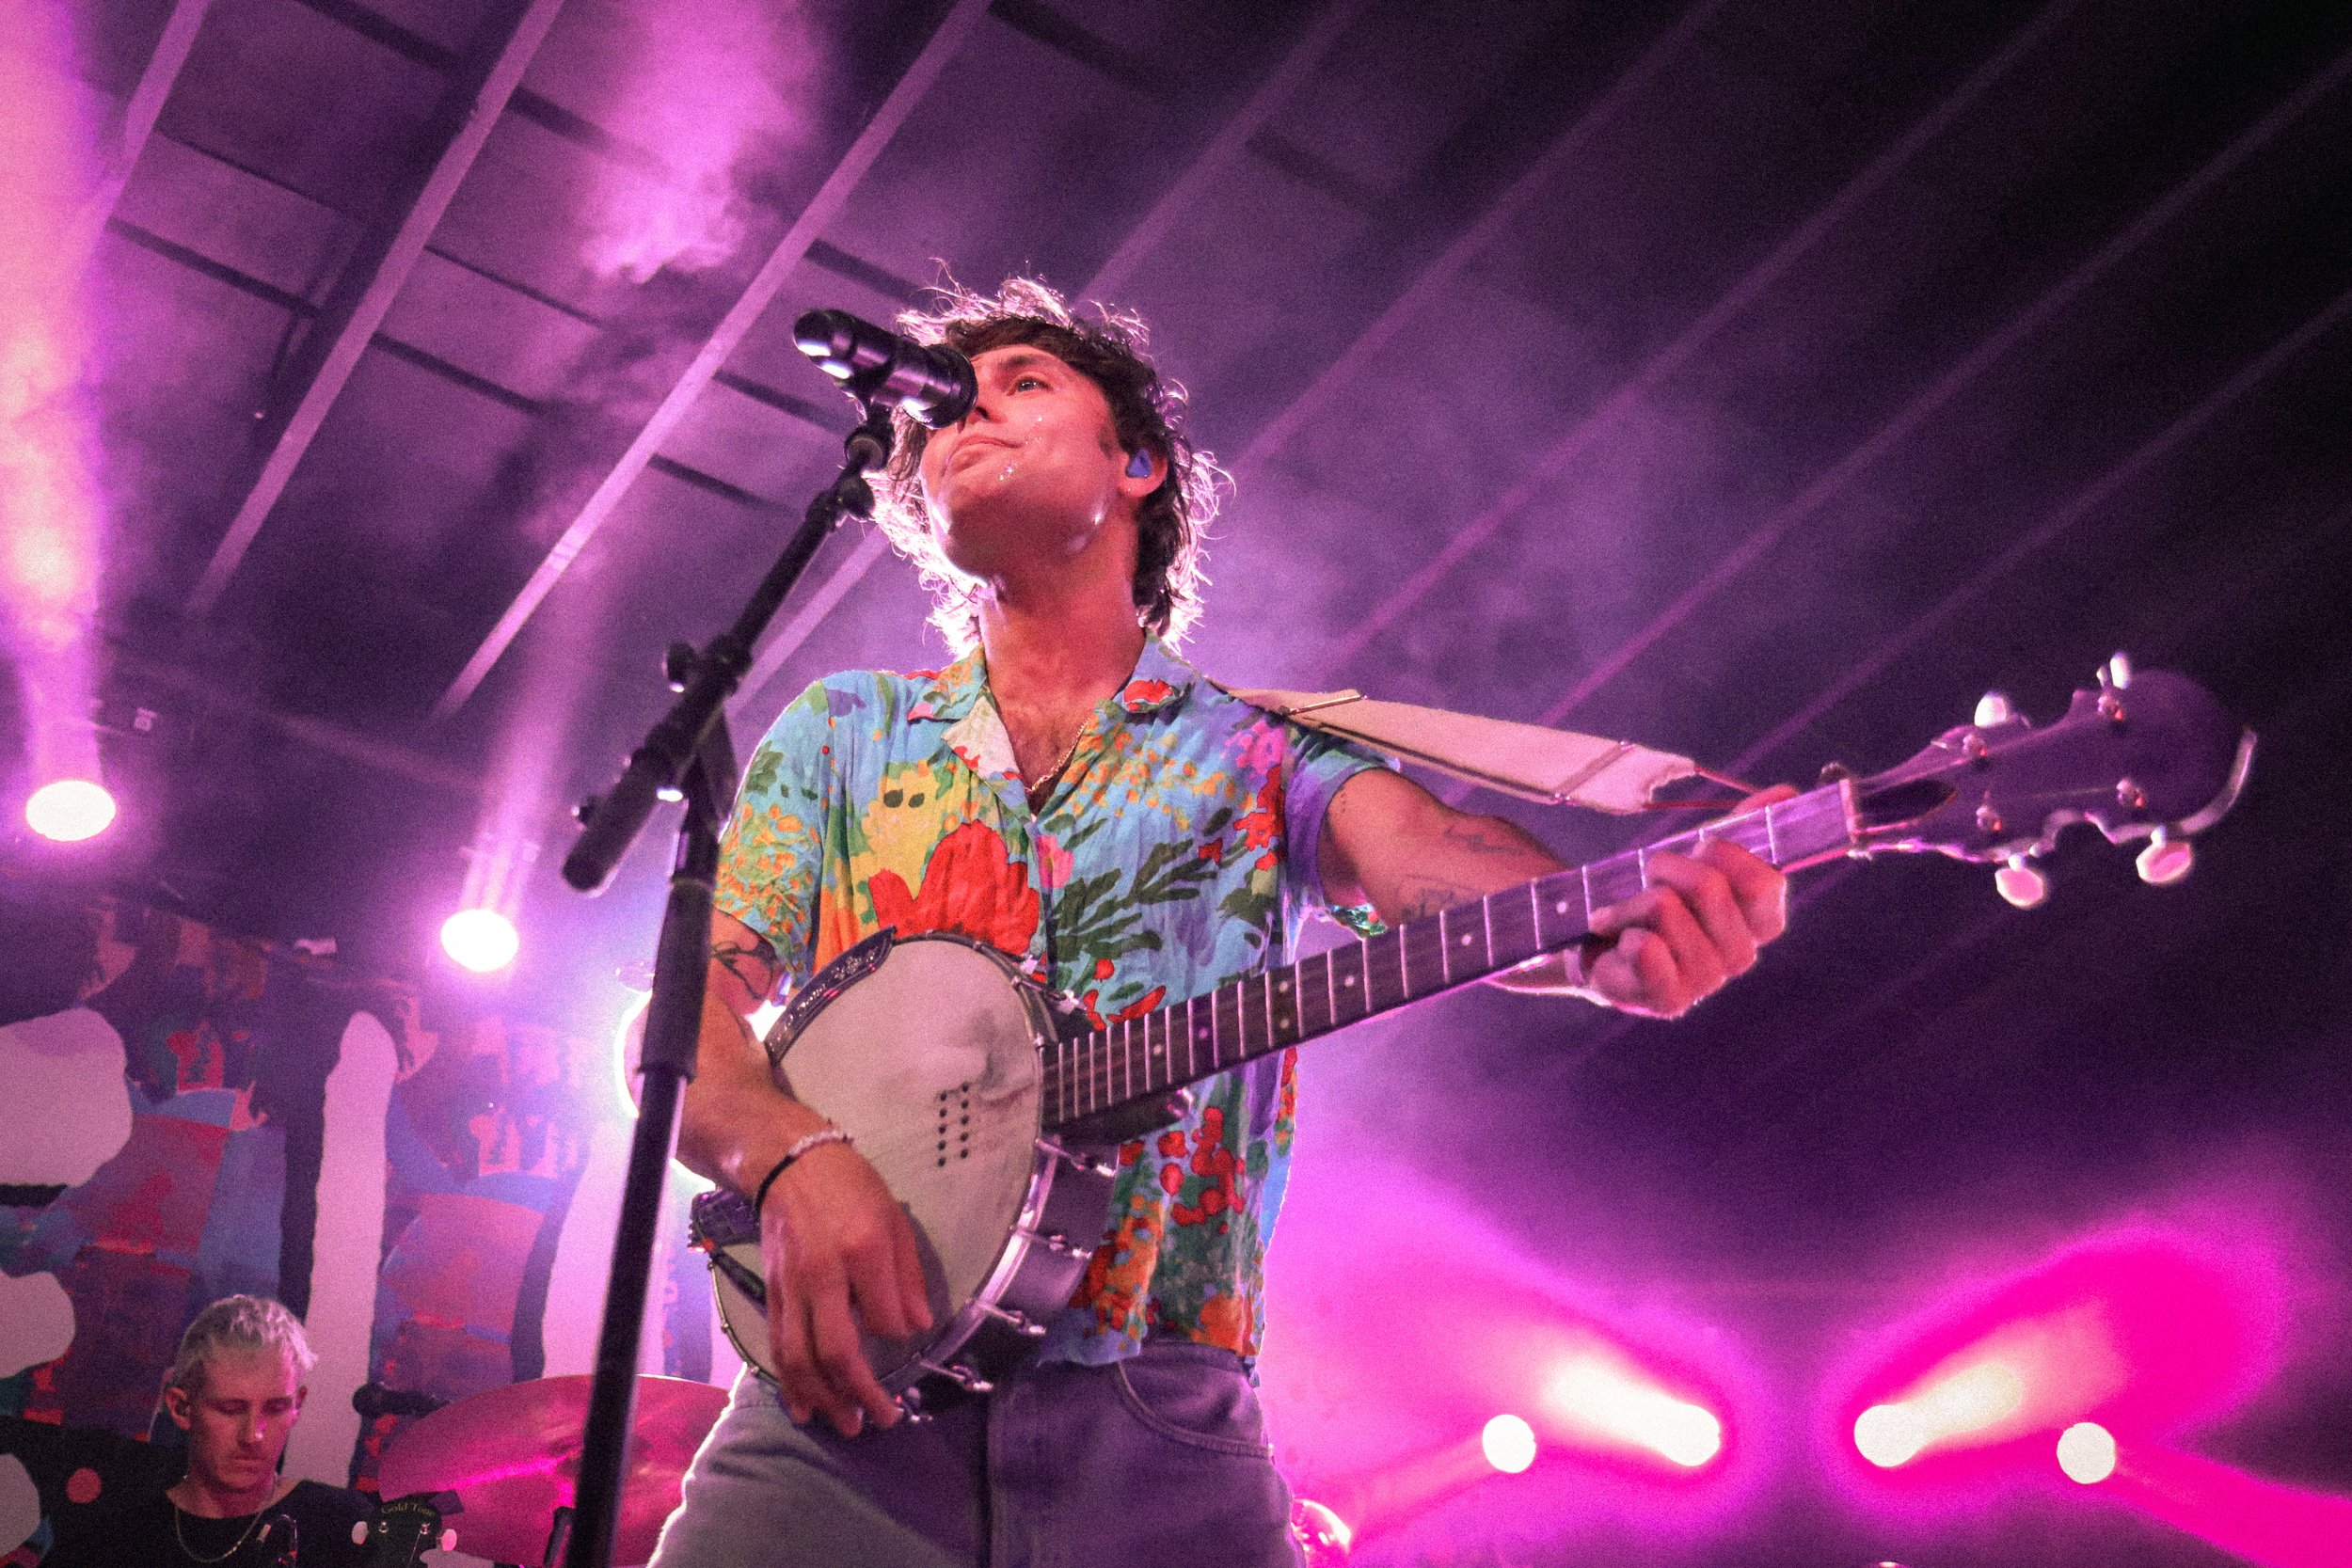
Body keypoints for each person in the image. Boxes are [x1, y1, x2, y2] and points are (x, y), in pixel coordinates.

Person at [650, 278, 1790, 1566]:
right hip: (830, 1428)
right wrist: (794, 1154)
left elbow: (1429, 857)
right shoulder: (843, 730)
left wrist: (1595, 930)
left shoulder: (1260, 750)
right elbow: (682, 1012)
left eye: (1024, 379)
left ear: (1136, 462)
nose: (968, 407)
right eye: (946, 405)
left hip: (1163, 1437)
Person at [39, 1295, 371, 1567]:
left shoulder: (342, 1526)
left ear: (297, 1405)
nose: (253, 1434)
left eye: (275, 1408)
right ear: (181, 1408)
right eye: (229, 1409)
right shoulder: (112, 1541)